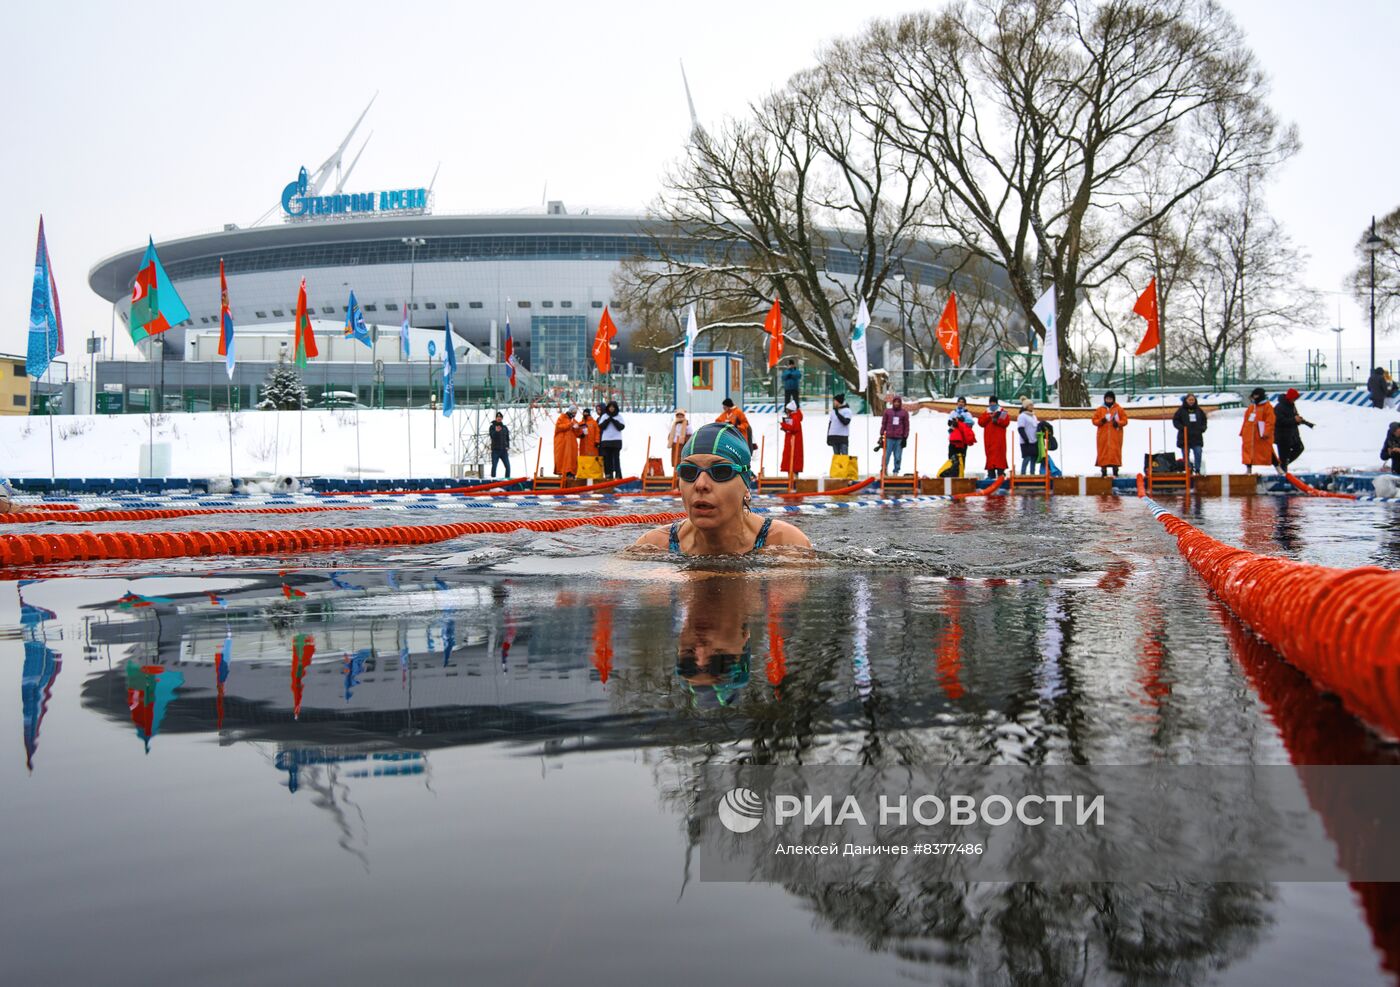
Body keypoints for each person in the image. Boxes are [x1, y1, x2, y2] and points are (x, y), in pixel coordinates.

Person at [632, 423, 811, 556]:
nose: (701, 484)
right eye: (689, 471)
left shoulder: (786, 543)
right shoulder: (654, 546)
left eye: (720, 471)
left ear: (746, 487)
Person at [1273, 388, 1314, 473]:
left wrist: (1304, 422)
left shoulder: (1292, 405)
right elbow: (1279, 421)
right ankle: (1282, 472)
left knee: (1299, 448)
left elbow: (1295, 416)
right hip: (1282, 436)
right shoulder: (1279, 407)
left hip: (1293, 435)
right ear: (1289, 397)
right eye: (1294, 398)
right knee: (1283, 457)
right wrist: (1294, 420)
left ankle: (1283, 465)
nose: (1295, 400)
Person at [1091, 391, 1128, 477]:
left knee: (1115, 451)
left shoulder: (1119, 409)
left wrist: (1118, 423)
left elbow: (1125, 420)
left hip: (1115, 435)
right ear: (1105, 399)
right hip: (1103, 436)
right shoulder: (1100, 409)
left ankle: (1115, 470)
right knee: (1103, 451)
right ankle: (1103, 470)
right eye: (1107, 398)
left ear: (1113, 399)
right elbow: (1094, 420)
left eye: (1110, 398)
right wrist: (1102, 420)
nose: (1109, 400)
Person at [1240, 387, 1276, 474]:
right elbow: (1246, 421)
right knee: (1248, 454)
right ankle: (1248, 470)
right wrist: (1243, 432)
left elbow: (1270, 421)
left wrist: (1266, 432)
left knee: (1267, 451)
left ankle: (1278, 468)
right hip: (1249, 437)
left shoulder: (1267, 407)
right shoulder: (1251, 408)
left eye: (1255, 395)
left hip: (1261, 436)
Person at [1172, 393, 1208, 474]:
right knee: (1185, 454)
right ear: (1186, 400)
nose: (1191, 401)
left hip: (1197, 437)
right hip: (1184, 437)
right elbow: (1175, 421)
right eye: (1190, 400)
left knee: (1198, 452)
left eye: (1193, 400)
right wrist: (1182, 428)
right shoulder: (1181, 411)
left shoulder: (1199, 410)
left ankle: (1198, 469)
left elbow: (1204, 420)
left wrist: (1203, 428)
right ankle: (1189, 469)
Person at [977, 397, 1011, 478]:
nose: (992, 405)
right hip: (989, 440)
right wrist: (989, 417)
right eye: (991, 403)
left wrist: (997, 420)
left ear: (996, 403)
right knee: (990, 456)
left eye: (993, 403)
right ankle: (991, 474)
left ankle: (1000, 473)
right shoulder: (987, 412)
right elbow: (980, 422)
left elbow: (1006, 423)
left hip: (999, 440)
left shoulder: (1002, 412)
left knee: (1000, 456)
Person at [880, 395, 911, 474]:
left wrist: (905, 437)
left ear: (900, 403)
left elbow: (906, 426)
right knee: (886, 455)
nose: (896, 403)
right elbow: (884, 423)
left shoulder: (904, 413)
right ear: (892, 403)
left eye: (898, 402)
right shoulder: (888, 412)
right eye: (895, 402)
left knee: (898, 456)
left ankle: (896, 471)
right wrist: (881, 433)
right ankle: (884, 468)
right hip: (889, 437)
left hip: (899, 438)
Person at [553, 406, 583, 482]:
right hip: (562, 443)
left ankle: (571, 473)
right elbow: (558, 427)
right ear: (570, 411)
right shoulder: (562, 417)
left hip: (571, 443)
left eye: (576, 413)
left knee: (571, 458)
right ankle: (563, 472)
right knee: (563, 458)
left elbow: (578, 434)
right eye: (573, 412)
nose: (574, 414)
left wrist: (579, 428)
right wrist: (570, 425)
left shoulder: (574, 421)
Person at [598, 400, 625, 480]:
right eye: (610, 407)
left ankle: (618, 474)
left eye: (613, 407)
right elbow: (601, 426)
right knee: (607, 459)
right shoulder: (604, 416)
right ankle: (608, 474)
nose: (611, 409)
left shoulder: (619, 416)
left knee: (616, 458)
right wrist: (608, 420)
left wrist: (613, 420)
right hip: (606, 441)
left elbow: (621, 427)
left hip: (616, 441)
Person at [780, 400, 804, 480]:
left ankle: (793, 478)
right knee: (792, 459)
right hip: (793, 441)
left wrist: (783, 425)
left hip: (793, 442)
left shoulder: (795, 417)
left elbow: (794, 428)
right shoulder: (795, 417)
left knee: (792, 459)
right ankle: (792, 477)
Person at [577, 406, 602, 479]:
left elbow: (597, 432)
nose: (585, 414)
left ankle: (593, 475)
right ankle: (583, 475)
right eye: (584, 412)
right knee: (583, 460)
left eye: (587, 412)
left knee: (592, 460)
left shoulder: (593, 423)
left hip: (592, 446)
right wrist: (580, 435)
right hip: (583, 445)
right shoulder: (580, 423)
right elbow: (577, 432)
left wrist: (597, 441)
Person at [1016, 400, 1039, 474]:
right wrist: (1025, 438)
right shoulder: (1022, 416)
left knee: (1033, 458)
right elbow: (1020, 428)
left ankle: (1032, 474)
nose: (1032, 406)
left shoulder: (1034, 416)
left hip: (1034, 440)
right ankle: (1023, 474)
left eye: (1032, 405)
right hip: (1026, 441)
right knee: (1027, 458)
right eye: (1030, 405)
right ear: (1026, 406)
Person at [488, 412, 511, 478]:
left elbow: (507, 438)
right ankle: (493, 480)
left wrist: (507, 446)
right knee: (494, 466)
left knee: (508, 466)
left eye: (500, 417)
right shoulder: (492, 427)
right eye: (498, 417)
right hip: (495, 450)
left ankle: (507, 480)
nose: (499, 418)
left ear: (502, 418)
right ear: (496, 418)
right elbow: (492, 436)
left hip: (504, 450)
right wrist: (496, 431)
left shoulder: (505, 428)